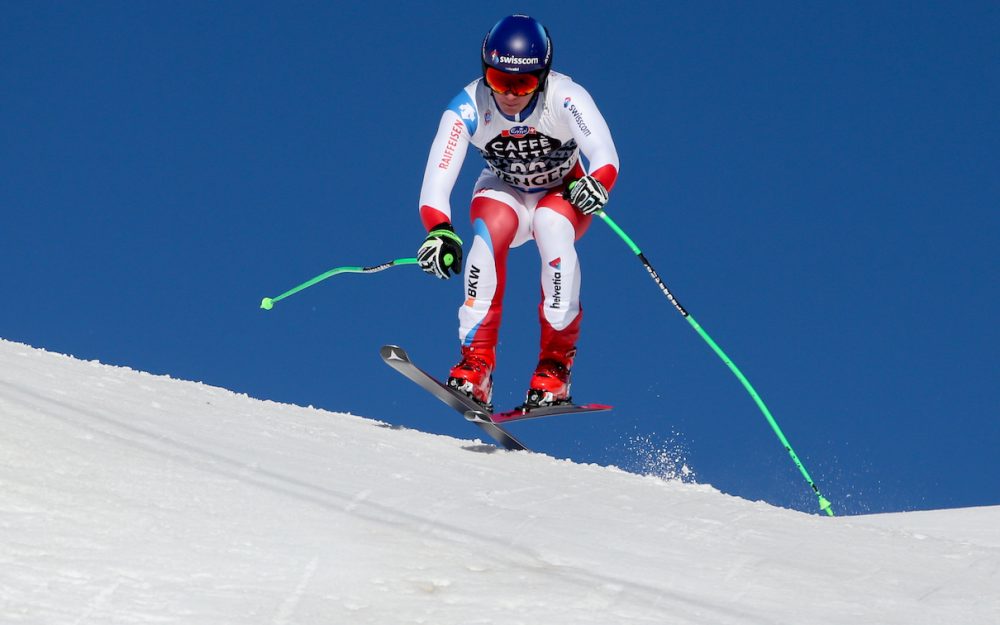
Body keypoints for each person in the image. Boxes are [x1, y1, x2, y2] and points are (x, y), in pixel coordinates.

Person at [416, 14, 619, 410]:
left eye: (522, 83)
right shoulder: (468, 106)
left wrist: (598, 182)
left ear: (542, 76)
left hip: (563, 193)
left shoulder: (565, 96)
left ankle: (555, 369)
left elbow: (604, 152)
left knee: (551, 224)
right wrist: (439, 230)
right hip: (504, 190)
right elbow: (436, 182)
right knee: (487, 234)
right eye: (498, 80)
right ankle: (476, 367)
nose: (509, 94)